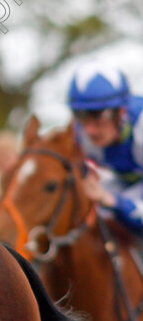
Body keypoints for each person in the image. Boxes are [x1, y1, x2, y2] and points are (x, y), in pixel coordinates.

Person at [68, 61, 143, 233]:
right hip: (123, 183)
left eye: (98, 115)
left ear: (121, 112)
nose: (90, 130)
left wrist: (114, 201)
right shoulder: (79, 133)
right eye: (81, 116)